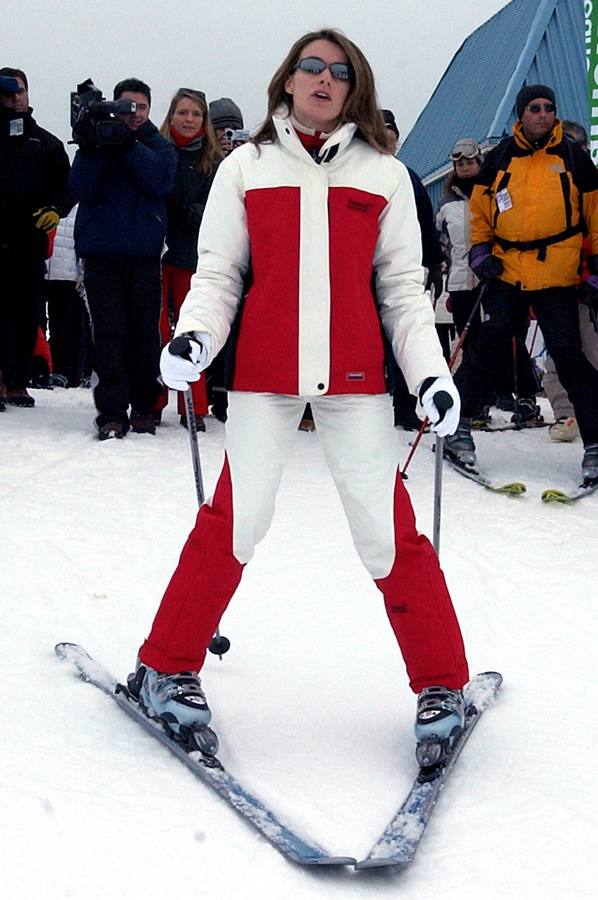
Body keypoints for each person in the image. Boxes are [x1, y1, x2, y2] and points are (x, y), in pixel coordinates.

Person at [127, 29, 469, 767]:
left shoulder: (383, 175)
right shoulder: (246, 168)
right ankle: (165, 665)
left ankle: (442, 685)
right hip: (263, 377)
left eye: (338, 71)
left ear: (354, 89)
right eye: (310, 66)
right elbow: (217, 275)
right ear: (287, 80)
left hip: (355, 384)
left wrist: (430, 376)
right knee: (236, 520)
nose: (323, 78)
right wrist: (195, 338)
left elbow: (403, 293)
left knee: (388, 534)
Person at [445, 84, 598, 483]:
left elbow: (596, 214)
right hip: (508, 271)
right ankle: (456, 428)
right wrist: (480, 253)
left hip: (557, 274)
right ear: (521, 113)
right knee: (489, 348)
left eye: (549, 108)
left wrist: (596, 267)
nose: (543, 114)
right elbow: (479, 212)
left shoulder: (573, 158)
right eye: (535, 108)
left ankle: (595, 443)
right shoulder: (498, 159)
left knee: (569, 356)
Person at [69, 77, 176, 439]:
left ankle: (145, 406)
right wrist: (95, 143)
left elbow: (160, 180)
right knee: (109, 335)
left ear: (149, 110)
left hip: (143, 255)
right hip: (100, 253)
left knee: (144, 332)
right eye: (126, 106)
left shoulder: (157, 145)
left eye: (141, 108)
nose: (133, 114)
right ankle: (112, 412)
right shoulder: (96, 142)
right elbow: (80, 188)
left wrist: (127, 143)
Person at [436, 138, 539, 424]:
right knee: (471, 343)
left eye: (470, 162)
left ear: (480, 163)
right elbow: (441, 241)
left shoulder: (496, 192)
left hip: (495, 276)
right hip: (461, 281)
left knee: (506, 336)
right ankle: (476, 401)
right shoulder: (447, 204)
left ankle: (525, 393)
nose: (465, 167)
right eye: (460, 163)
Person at [0, 67, 72, 409]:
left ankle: (17, 381)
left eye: (20, 91)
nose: (15, 98)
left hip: (27, 244)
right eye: (7, 92)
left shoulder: (46, 143)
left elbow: (67, 187)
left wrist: (56, 209)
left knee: (25, 314)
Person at [154, 88, 222, 431]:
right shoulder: (158, 151)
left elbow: (219, 208)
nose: (189, 119)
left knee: (191, 330)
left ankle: (193, 405)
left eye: (195, 114)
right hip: (159, 252)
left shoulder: (214, 161)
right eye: (183, 112)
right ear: (172, 116)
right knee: (155, 328)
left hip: (194, 255)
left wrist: (195, 211)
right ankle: (153, 399)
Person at [382, 109, 446, 430]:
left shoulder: (409, 177)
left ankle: (405, 405)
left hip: (402, 270)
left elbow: (426, 223)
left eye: (391, 139)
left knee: (402, 339)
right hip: (361, 273)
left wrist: (434, 263)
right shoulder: (355, 175)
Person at [542, 121, 598, 442]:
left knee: (591, 354)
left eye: (577, 147)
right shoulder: (549, 187)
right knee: (558, 358)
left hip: (589, 289)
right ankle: (566, 415)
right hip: (558, 287)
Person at [44, 204, 89, 388]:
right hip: (61, 268)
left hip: (64, 270)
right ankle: (60, 370)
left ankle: (63, 371)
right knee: (61, 324)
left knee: (62, 324)